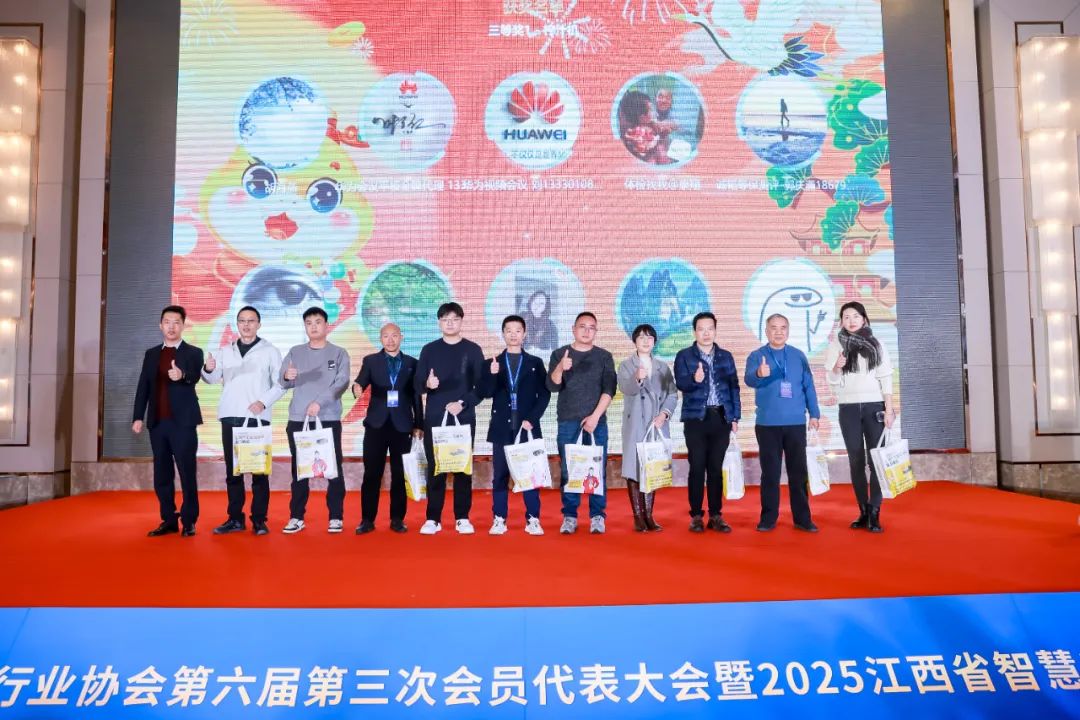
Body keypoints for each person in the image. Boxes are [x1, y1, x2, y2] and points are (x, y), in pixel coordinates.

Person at [201, 305, 284, 536]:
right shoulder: (224, 351)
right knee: (233, 472)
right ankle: (235, 519)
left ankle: (259, 520)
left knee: (259, 473)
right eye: (242, 321)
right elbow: (211, 378)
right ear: (236, 324)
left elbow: (281, 383)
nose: (246, 325)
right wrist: (208, 369)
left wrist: (263, 402)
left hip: (256, 418)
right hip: (230, 415)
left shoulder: (270, 351)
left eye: (251, 320)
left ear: (259, 324)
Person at [132, 305, 204, 537]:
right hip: (158, 423)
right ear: (160, 325)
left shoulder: (194, 352)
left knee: (187, 472)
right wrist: (138, 416)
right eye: (167, 322)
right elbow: (143, 386)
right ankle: (169, 519)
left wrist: (182, 375)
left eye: (176, 322)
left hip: (183, 423)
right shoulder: (152, 354)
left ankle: (189, 521)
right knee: (162, 474)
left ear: (183, 326)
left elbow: (194, 377)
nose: (171, 327)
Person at [745, 313, 821, 533]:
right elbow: (749, 379)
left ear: (788, 330)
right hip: (767, 424)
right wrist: (759, 373)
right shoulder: (757, 355)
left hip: (796, 423)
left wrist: (814, 414)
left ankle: (803, 519)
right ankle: (768, 518)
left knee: (798, 473)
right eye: (773, 327)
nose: (778, 332)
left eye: (783, 328)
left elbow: (808, 386)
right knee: (770, 474)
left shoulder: (798, 356)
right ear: (766, 331)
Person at [415, 302, 486, 535]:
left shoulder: (473, 350)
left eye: (455, 319)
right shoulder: (429, 350)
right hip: (435, 418)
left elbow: (481, 388)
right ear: (439, 323)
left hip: (463, 418)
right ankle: (432, 518)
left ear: (461, 321)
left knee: (462, 468)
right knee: (435, 468)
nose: (450, 323)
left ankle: (462, 517)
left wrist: (462, 403)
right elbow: (417, 385)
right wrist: (428, 384)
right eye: (445, 319)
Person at [823, 301, 895, 533]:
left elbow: (885, 377)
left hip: (875, 406)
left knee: (876, 460)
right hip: (848, 408)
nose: (851, 320)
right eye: (846, 317)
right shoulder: (836, 345)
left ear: (864, 319)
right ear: (841, 321)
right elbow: (832, 381)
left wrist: (889, 409)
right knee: (856, 460)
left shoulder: (877, 343)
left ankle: (875, 511)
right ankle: (863, 511)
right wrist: (837, 367)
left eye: (855, 316)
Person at [279, 307, 350, 534]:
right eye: (309, 323)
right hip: (299, 419)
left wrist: (319, 403)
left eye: (318, 322)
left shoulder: (339, 353)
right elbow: (283, 381)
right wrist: (286, 376)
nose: (313, 326)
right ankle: (296, 516)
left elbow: (342, 382)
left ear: (326, 325)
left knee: (333, 468)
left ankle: (336, 516)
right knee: (299, 469)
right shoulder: (295, 352)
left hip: (327, 418)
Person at [547, 311, 618, 534]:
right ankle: (570, 516)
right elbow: (552, 386)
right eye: (582, 326)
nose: (587, 331)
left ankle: (597, 515)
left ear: (596, 331)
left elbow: (609, 390)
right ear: (573, 329)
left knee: (597, 469)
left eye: (591, 327)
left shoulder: (604, 356)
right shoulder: (559, 354)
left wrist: (595, 417)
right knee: (569, 470)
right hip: (568, 421)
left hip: (597, 422)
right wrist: (561, 367)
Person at [480, 314, 551, 535]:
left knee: (530, 475)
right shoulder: (492, 363)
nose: (513, 335)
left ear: (524, 334)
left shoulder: (535, 363)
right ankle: (499, 518)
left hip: (527, 427)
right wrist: (492, 375)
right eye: (509, 331)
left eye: (517, 330)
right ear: (503, 334)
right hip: (501, 428)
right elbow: (486, 392)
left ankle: (533, 519)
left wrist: (533, 418)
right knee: (500, 476)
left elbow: (544, 394)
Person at [352, 322, 423, 534]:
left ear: (401, 337)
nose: (390, 340)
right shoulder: (371, 361)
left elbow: (416, 396)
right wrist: (356, 388)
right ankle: (367, 519)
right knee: (372, 473)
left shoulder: (412, 363)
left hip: (402, 426)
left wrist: (419, 424)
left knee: (400, 474)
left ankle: (397, 519)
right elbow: (360, 382)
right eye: (386, 336)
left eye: (394, 336)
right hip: (376, 425)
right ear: (380, 339)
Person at [673, 312, 741, 533]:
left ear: (715, 330)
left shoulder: (726, 356)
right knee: (697, 466)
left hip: (721, 417)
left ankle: (716, 515)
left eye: (710, 328)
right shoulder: (684, 356)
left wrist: (735, 417)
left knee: (715, 468)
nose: (706, 333)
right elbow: (681, 383)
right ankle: (696, 515)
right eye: (701, 329)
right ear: (695, 332)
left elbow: (733, 387)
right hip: (696, 419)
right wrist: (695, 380)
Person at [617, 323, 677, 532]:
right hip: (635, 424)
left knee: (652, 467)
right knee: (634, 468)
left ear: (654, 342)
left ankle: (649, 515)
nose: (645, 341)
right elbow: (625, 388)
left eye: (649, 337)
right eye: (641, 337)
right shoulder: (626, 365)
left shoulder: (663, 367)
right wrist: (637, 378)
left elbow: (672, 394)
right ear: (634, 341)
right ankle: (637, 516)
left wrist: (664, 414)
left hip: (656, 424)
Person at [521, 290, 558, 354]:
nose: (537, 306)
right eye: (535, 302)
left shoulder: (550, 325)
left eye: (541, 303)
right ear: (531, 302)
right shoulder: (521, 317)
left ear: (545, 306)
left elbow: (555, 349)